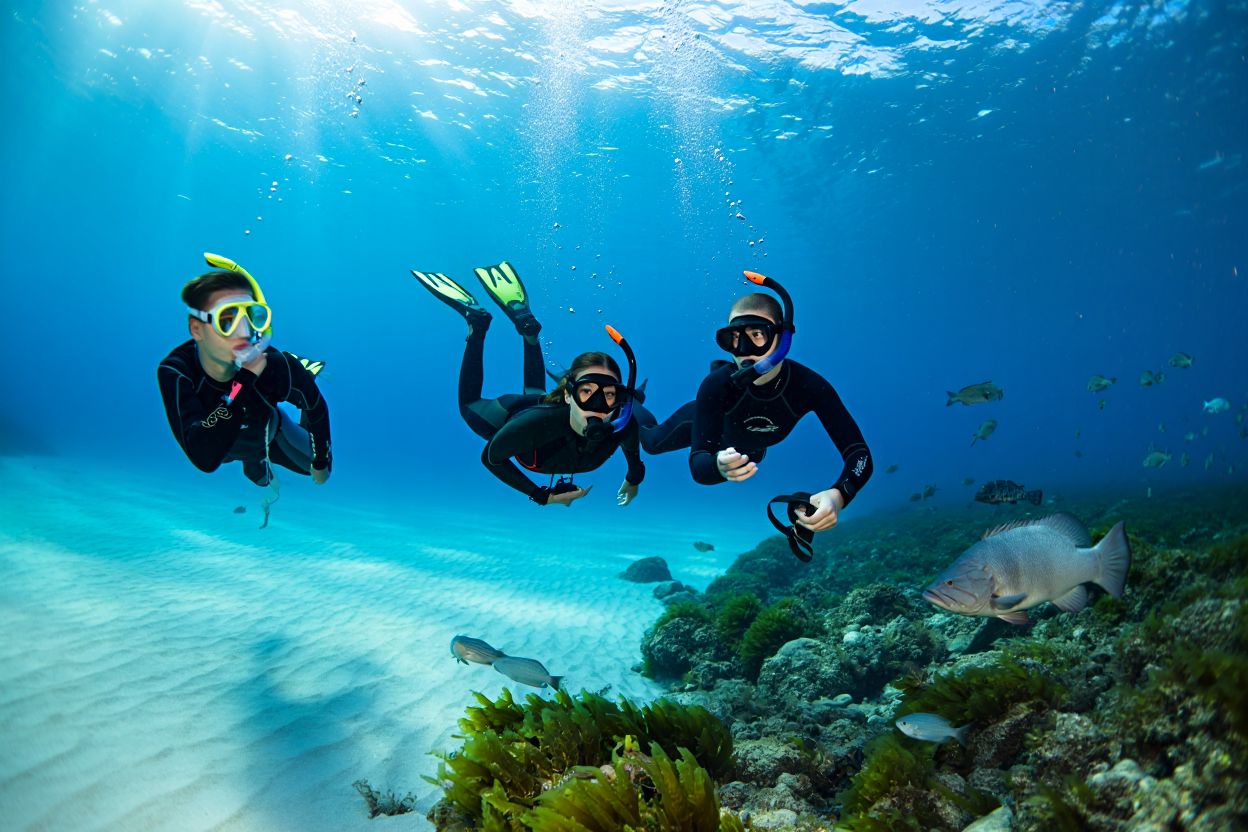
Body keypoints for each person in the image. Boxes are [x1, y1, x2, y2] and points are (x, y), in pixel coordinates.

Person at [642, 270, 871, 540]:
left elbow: (860, 455)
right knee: (650, 443)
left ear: (782, 338)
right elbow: (699, 467)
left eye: (757, 335)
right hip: (703, 424)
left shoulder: (810, 386)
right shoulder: (716, 386)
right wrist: (716, 466)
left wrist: (839, 495)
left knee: (751, 453)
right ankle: (631, 403)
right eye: (734, 338)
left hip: (749, 445)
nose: (743, 350)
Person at [412, 261, 647, 507]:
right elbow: (491, 458)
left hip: (544, 410)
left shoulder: (624, 426)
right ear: (569, 395)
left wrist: (633, 480)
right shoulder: (532, 425)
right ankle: (477, 325)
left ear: (621, 398)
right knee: (469, 405)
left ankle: (529, 331)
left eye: (609, 394)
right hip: (512, 413)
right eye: (586, 391)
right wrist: (543, 497)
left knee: (538, 393)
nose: (598, 406)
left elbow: (635, 463)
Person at [158, 253, 332, 493]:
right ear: (196, 329)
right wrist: (246, 378)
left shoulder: (275, 365)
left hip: (271, 433)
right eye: (227, 320)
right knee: (226, 452)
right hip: (224, 448)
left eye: (251, 316)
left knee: (317, 470)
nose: (244, 332)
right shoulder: (178, 372)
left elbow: (317, 407)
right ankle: (253, 462)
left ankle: (304, 373)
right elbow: (204, 459)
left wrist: (321, 462)